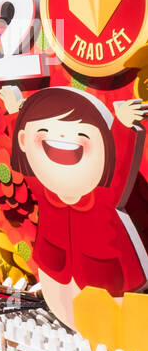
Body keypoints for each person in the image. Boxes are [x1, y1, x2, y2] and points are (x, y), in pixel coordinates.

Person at [11, 87, 148, 330]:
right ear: (23, 139)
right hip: (55, 273)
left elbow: (118, 172)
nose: (62, 137)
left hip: (107, 280)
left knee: (111, 329)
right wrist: (14, 113)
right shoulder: (44, 188)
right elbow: (29, 166)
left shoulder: (102, 196)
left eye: (79, 132)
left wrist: (122, 126)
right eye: (47, 131)